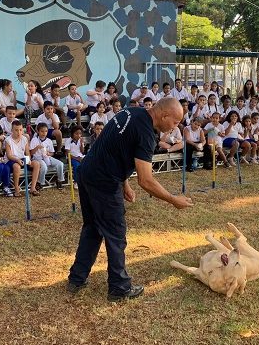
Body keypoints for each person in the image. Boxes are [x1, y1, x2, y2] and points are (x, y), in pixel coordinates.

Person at [67, 97, 193, 301]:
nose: (175, 126)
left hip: (88, 173)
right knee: (116, 233)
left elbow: (115, 147)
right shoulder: (146, 134)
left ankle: (77, 278)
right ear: (164, 115)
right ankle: (119, 287)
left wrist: (124, 182)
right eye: (176, 122)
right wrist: (172, 199)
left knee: (93, 227)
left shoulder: (132, 112)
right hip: (104, 181)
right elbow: (146, 180)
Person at [4, 120, 40, 197]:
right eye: (16, 130)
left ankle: (33, 188)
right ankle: (16, 189)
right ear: (12, 130)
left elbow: (27, 153)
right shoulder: (8, 140)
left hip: (22, 158)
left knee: (36, 164)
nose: (19, 132)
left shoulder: (24, 139)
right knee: (17, 166)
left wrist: (29, 159)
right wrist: (17, 160)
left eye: (20, 130)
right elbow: (9, 155)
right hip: (11, 160)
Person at [30, 122, 65, 190]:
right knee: (44, 167)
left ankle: (59, 180)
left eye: (46, 131)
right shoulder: (34, 140)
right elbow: (31, 153)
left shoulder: (49, 141)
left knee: (60, 164)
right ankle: (40, 183)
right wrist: (37, 147)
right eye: (42, 131)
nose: (44, 133)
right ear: (38, 131)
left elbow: (52, 153)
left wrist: (49, 154)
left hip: (47, 157)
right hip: (37, 158)